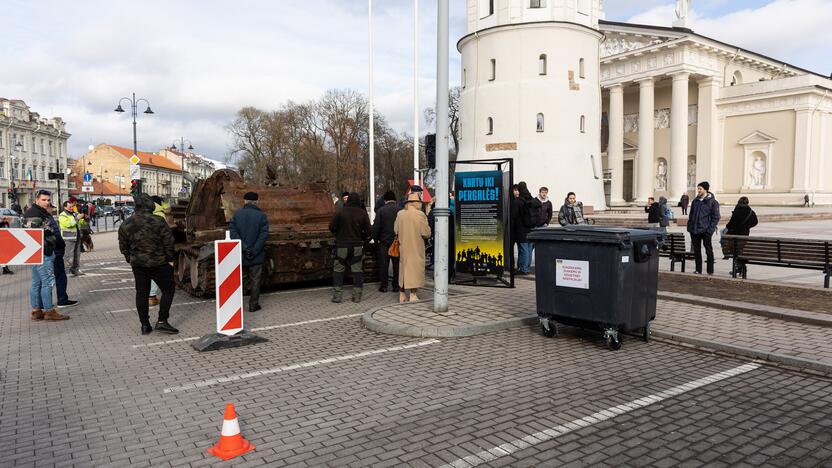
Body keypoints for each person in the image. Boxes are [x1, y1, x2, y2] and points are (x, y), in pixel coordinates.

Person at [118, 193, 178, 335]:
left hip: (138, 264)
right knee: (168, 289)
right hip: (159, 262)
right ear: (149, 205)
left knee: (141, 293)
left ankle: (145, 325)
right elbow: (169, 242)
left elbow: (123, 246)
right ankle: (162, 321)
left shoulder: (126, 223)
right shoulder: (158, 220)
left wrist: (130, 259)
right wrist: (170, 259)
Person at [23, 190, 70, 321]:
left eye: (48, 200)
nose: (47, 202)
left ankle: (36, 310)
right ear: (37, 200)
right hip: (43, 252)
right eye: (44, 200)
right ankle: (49, 311)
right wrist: (54, 241)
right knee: (47, 282)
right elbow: (35, 235)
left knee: (36, 282)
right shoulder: (35, 213)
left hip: (37, 252)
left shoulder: (37, 212)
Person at [230, 192, 270, 312]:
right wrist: (254, 250)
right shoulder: (262, 216)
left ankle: (236, 307)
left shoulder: (237, 215)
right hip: (256, 255)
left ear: (245, 201)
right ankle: (253, 305)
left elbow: (233, 233)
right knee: (255, 281)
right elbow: (263, 235)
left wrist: (244, 248)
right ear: (256, 202)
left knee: (239, 280)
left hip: (240, 254)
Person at [329, 191, 371, 303]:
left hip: (341, 246)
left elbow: (332, 227)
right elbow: (368, 232)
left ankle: (337, 296)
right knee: (357, 271)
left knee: (338, 270)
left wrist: (339, 234)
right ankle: (357, 296)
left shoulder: (340, 212)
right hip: (356, 246)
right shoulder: (362, 213)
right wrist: (360, 236)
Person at [394, 188, 431, 302]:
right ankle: (413, 295)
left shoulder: (400, 214)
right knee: (414, 271)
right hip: (416, 247)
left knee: (403, 270)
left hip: (403, 247)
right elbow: (426, 233)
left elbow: (395, 230)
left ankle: (401, 294)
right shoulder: (420, 215)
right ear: (416, 203)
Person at [46, 203, 79, 309]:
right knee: (55, 276)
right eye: (51, 207)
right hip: (56, 248)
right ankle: (52, 304)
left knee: (74, 257)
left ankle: (53, 302)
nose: (52, 209)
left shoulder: (72, 214)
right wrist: (77, 218)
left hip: (62, 246)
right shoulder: (62, 215)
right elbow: (66, 226)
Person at [686, 181, 720, 275]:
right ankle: (698, 269)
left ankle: (710, 271)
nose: (698, 190)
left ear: (705, 189)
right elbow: (691, 215)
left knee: (708, 250)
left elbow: (716, 217)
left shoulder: (713, 202)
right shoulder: (695, 201)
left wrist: (710, 230)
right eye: (698, 188)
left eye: (700, 189)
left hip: (705, 231)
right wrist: (690, 227)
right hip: (695, 230)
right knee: (697, 251)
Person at [373, 190, 400, 293]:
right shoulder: (400, 210)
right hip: (397, 242)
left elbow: (376, 228)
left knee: (384, 264)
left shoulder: (381, 211)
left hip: (384, 242)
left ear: (385, 200)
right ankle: (396, 286)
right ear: (395, 199)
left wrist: (375, 241)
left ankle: (384, 286)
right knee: (396, 265)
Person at [58, 199, 83, 276]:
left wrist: (83, 218)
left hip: (77, 237)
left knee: (77, 255)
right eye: (70, 207)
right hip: (68, 238)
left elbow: (79, 223)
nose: (72, 208)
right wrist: (77, 219)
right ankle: (67, 271)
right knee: (68, 255)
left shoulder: (74, 214)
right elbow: (68, 224)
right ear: (65, 207)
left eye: (72, 206)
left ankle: (76, 270)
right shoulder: (62, 215)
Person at [515, 182, 535, 275]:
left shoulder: (519, 200)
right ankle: (527, 267)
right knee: (529, 248)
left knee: (524, 249)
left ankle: (523, 269)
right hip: (531, 227)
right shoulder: (531, 199)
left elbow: (515, 215)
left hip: (521, 228)